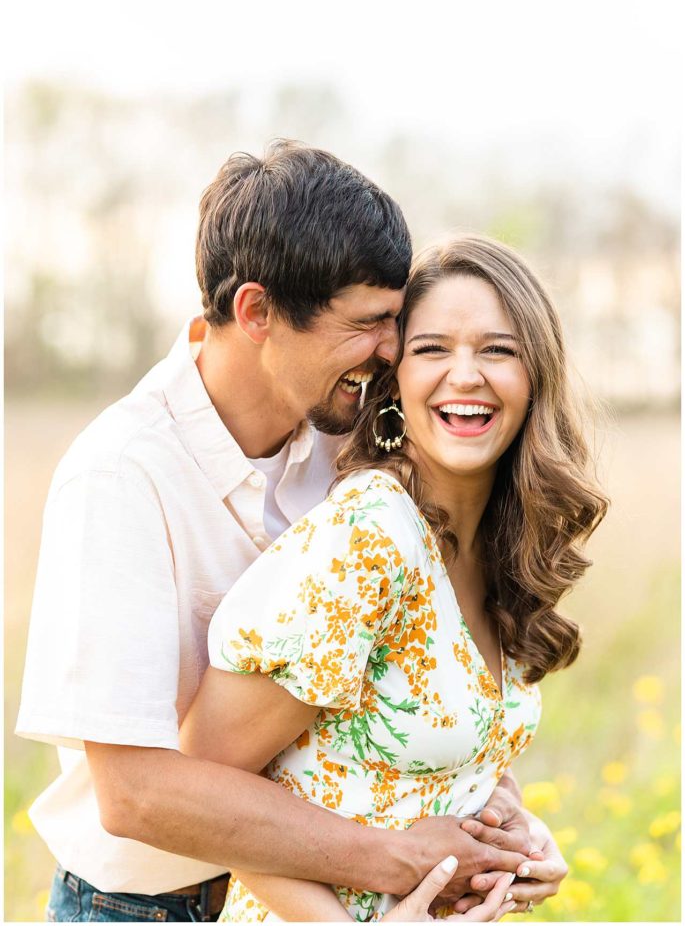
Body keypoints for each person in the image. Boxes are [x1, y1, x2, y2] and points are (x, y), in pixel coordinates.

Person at [16, 145, 557, 923]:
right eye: (368, 324)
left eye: (394, 321)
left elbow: (405, 701)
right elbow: (134, 793)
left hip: (317, 889)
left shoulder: (351, 437)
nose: (389, 351)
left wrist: (512, 832)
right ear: (256, 313)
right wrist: (391, 857)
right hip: (144, 905)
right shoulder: (120, 478)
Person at [181, 234, 608, 921]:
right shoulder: (369, 538)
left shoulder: (499, 544)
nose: (464, 375)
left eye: (496, 350)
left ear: (536, 377)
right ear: (392, 382)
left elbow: (428, 756)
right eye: (432, 349)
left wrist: (522, 840)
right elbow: (204, 786)